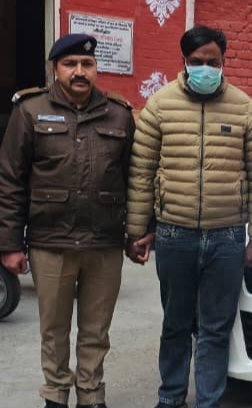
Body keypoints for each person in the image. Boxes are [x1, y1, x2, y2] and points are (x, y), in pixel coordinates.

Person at [124, 25, 252, 408]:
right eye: (197, 61)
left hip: (227, 238)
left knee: (215, 328)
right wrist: (138, 230)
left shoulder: (244, 110)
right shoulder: (160, 107)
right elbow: (141, 173)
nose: (205, 68)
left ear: (223, 63)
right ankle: (171, 396)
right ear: (184, 62)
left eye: (213, 61)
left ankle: (209, 400)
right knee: (175, 323)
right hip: (174, 235)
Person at [0, 34, 135, 408]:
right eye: (70, 64)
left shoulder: (119, 114)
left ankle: (91, 395)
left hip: (104, 243)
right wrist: (9, 244)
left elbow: (135, 179)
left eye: (87, 64)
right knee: (54, 330)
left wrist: (138, 232)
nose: (79, 71)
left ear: (96, 69)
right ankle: (56, 395)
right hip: (50, 242)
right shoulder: (30, 111)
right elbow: (10, 180)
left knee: (96, 331)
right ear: (55, 69)